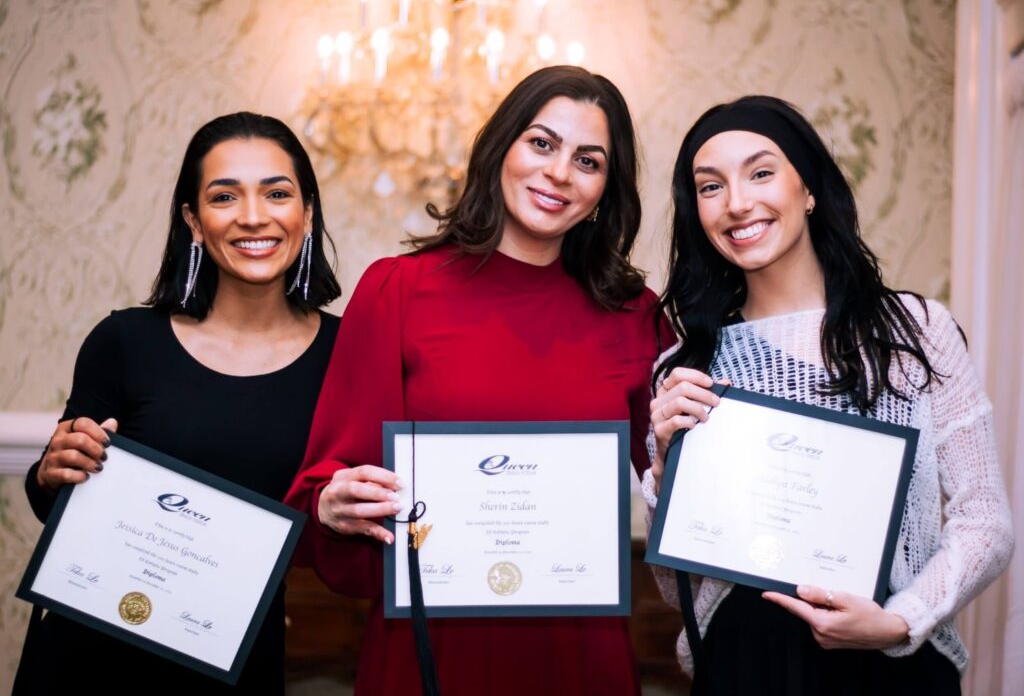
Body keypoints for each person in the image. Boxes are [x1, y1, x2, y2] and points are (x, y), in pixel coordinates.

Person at [285, 65, 674, 696]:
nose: (558, 172)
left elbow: (674, 492)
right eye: (541, 144)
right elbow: (326, 481)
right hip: (431, 646)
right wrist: (333, 503)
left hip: (579, 650)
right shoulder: (398, 291)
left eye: (588, 160)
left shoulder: (636, 315)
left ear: (606, 188)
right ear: (501, 148)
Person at [645, 95, 1014, 695]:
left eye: (761, 172)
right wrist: (666, 468)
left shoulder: (914, 331)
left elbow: (986, 521)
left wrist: (901, 620)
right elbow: (675, 587)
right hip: (744, 665)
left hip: (885, 661)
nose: (738, 202)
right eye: (711, 187)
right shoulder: (685, 368)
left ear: (809, 188)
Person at [15, 112, 342, 694]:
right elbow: (53, 500)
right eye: (224, 196)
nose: (252, 215)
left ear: (307, 211)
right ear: (193, 219)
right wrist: (50, 471)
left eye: (277, 192)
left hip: (237, 660)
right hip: (90, 659)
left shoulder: (347, 355)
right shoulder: (124, 342)